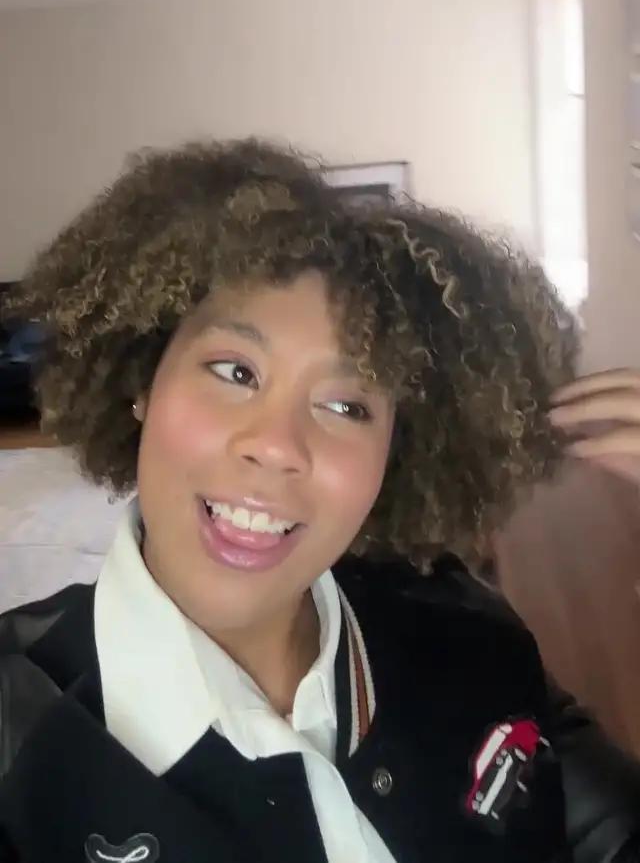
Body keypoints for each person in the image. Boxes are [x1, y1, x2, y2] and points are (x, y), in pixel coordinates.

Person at [1, 138, 639, 863]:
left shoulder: (466, 628)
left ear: (396, 450)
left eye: (346, 406)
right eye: (235, 371)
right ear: (142, 383)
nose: (276, 445)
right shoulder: (18, 746)